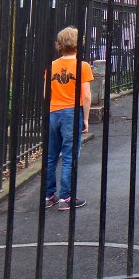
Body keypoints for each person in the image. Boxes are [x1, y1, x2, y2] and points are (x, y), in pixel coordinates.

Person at [45, 26, 92, 211]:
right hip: (71, 112)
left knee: (51, 155)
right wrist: (86, 119)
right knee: (69, 156)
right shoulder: (82, 65)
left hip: (53, 112)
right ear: (77, 43)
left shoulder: (52, 66)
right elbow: (87, 95)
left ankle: (49, 195)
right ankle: (67, 197)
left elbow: (45, 92)